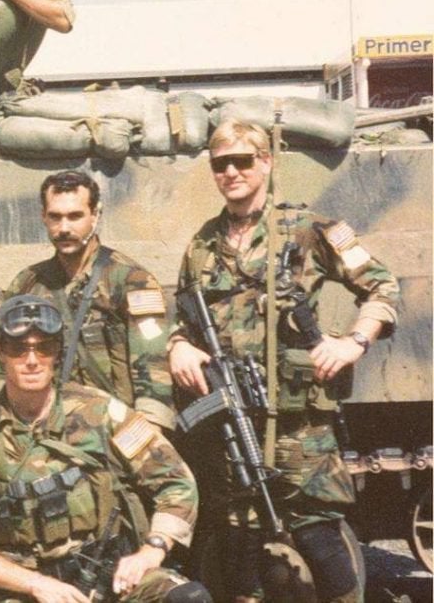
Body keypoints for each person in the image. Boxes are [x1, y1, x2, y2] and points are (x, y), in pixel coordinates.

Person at [167, 119, 400, 603]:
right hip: (233, 425)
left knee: (319, 536)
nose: (231, 172)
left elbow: (382, 286)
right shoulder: (202, 245)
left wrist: (353, 342)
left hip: (299, 425)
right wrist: (178, 345)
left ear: (266, 162)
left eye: (242, 161)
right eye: (220, 164)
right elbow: (183, 317)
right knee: (238, 543)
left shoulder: (311, 230)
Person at [0, 295, 210, 603]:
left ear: (57, 352)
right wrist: (36, 584)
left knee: (187, 597)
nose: (32, 360)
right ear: (0, 352)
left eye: (44, 348)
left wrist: (152, 550)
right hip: (23, 590)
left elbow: (176, 482)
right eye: (18, 349)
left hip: (109, 577)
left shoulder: (99, 411)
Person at [6, 170, 175, 432]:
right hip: (49, 430)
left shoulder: (130, 280)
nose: (64, 228)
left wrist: (146, 435)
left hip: (114, 428)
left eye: (75, 216)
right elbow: (7, 364)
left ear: (95, 215)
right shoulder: (27, 284)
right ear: (43, 217)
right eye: (55, 217)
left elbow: (153, 368)